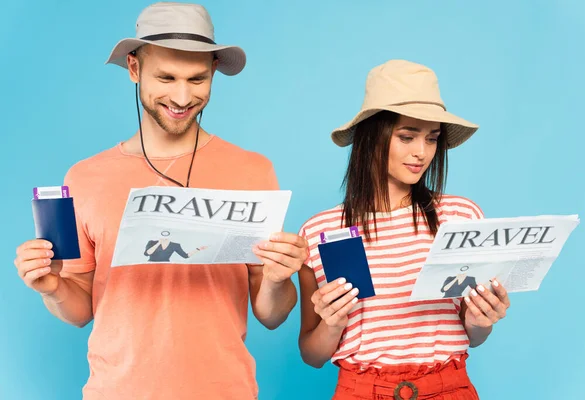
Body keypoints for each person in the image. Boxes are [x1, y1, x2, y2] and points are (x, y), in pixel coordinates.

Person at [13, 3, 306, 400]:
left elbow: (272, 315)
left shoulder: (253, 171)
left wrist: (277, 277)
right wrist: (50, 287)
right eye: (166, 77)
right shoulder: (84, 178)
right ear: (134, 69)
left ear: (214, 74)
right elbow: (80, 310)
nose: (182, 96)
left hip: (225, 390)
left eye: (198, 78)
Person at [297, 60, 511, 400]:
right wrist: (333, 322)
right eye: (407, 136)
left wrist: (482, 319)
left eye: (432, 138)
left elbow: (473, 335)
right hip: (360, 390)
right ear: (372, 136)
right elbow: (311, 355)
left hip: (447, 387)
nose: (421, 152)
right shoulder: (320, 231)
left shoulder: (459, 216)